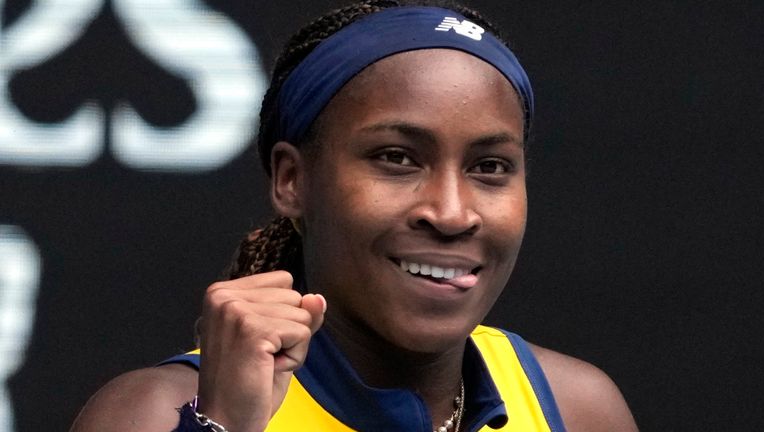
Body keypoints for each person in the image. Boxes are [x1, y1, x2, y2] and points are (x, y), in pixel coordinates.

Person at [71, 1, 638, 431]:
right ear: (292, 180)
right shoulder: (150, 414)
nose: (450, 212)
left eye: (490, 166)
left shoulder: (576, 408)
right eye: (396, 158)